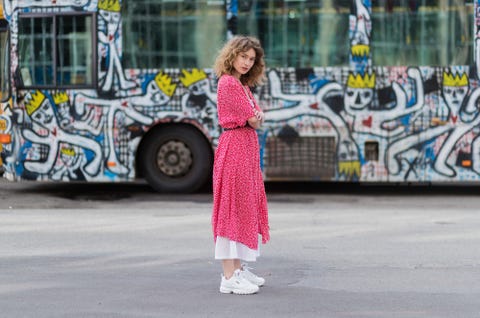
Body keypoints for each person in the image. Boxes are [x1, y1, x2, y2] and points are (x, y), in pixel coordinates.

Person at [211, 35, 270, 295]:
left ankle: (237, 270)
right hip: (235, 147)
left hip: (243, 148)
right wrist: (255, 117)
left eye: (251, 59)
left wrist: (256, 117)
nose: (246, 62)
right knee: (231, 208)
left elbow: (257, 116)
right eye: (243, 56)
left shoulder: (240, 84)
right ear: (232, 55)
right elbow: (255, 118)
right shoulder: (229, 84)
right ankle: (228, 277)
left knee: (241, 207)